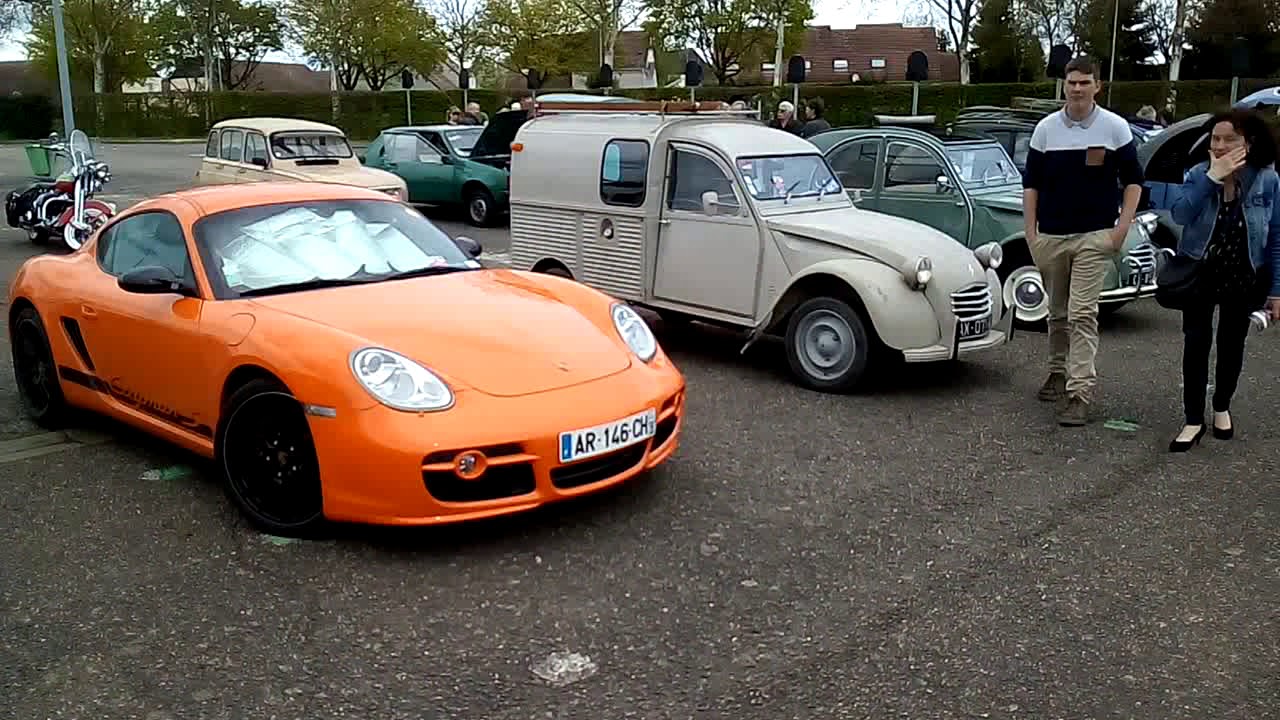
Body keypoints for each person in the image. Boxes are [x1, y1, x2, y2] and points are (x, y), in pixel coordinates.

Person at [1021, 55, 1145, 427]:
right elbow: (1031, 185)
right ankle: (1057, 373)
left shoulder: (1115, 128)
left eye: (1084, 82)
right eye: (1071, 82)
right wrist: (1031, 234)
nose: (1077, 88)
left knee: (1081, 314)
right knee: (1056, 313)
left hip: (1094, 236)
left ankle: (1079, 393)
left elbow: (1134, 181)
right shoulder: (1045, 130)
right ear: (1064, 85)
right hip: (1053, 236)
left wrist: (1121, 228)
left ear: (1097, 86)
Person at [1167, 109, 1280, 451]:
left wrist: (1276, 290)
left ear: (1248, 143)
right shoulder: (1198, 174)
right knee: (1196, 344)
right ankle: (1192, 418)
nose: (1220, 145)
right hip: (1199, 271)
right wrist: (1211, 178)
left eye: (1229, 139)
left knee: (1232, 344)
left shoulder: (1267, 179)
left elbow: (1275, 236)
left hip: (1243, 273)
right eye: (1215, 139)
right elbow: (1180, 214)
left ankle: (1222, 406)